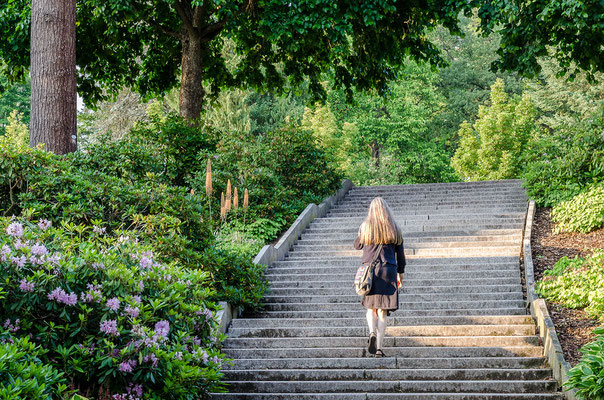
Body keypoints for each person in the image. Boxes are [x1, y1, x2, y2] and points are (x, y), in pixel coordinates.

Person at [354, 197, 405, 357]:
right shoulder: (394, 228)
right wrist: (400, 275)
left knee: (371, 308)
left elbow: (357, 245)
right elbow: (401, 256)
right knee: (383, 311)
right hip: (389, 270)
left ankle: (371, 332)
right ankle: (379, 349)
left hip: (370, 272)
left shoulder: (366, 227)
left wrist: (361, 231)